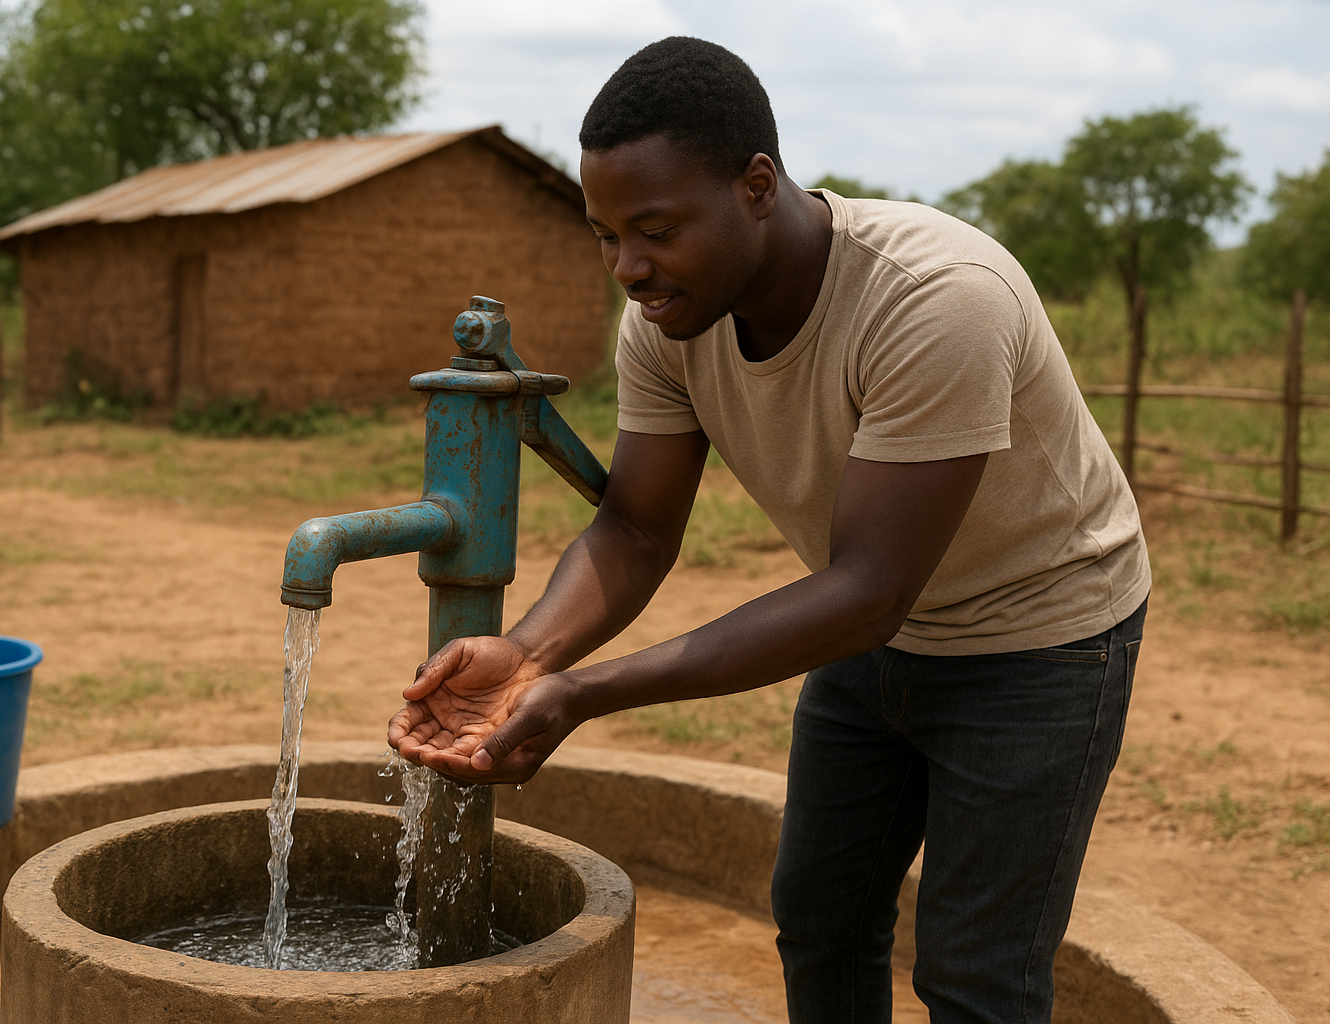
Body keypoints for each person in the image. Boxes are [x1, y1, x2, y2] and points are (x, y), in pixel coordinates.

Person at [388, 35, 1149, 1024]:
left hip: (1041, 642)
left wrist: (584, 691)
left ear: (756, 186)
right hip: (870, 632)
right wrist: (529, 654)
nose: (628, 266)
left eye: (654, 228)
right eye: (606, 234)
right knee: (821, 915)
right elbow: (634, 530)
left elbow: (871, 588)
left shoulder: (935, 299)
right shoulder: (672, 317)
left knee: (977, 973)